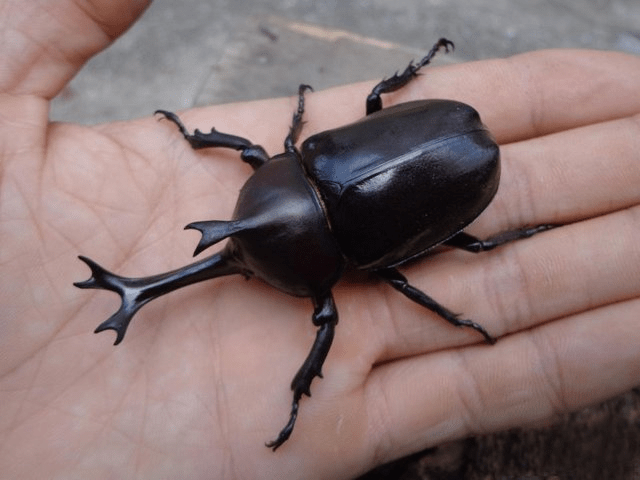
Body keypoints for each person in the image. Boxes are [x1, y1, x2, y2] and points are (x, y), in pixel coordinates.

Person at [1, 0, 639, 478]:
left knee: (473, 243)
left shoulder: (339, 257)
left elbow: (325, 323)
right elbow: (268, 156)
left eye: (236, 247)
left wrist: (450, 315)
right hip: (448, 159)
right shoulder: (285, 166)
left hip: (455, 160)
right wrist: (451, 316)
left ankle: (512, 220)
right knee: (449, 213)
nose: (235, 247)